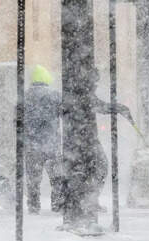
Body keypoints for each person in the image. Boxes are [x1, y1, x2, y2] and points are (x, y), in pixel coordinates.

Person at [23, 65, 130, 214]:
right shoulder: (56, 95)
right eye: (95, 80)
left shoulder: (25, 96)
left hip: (31, 145)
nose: (96, 83)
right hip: (52, 143)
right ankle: (59, 204)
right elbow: (67, 112)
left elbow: (18, 120)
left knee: (33, 178)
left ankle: (34, 206)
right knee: (58, 177)